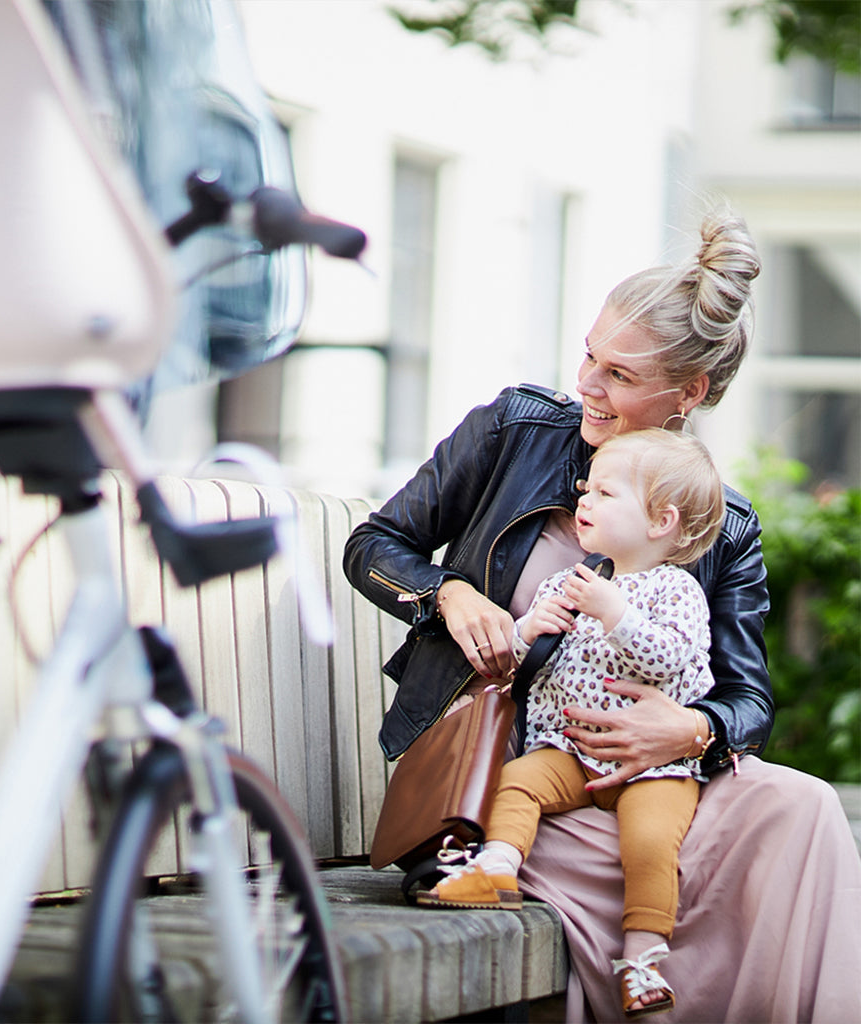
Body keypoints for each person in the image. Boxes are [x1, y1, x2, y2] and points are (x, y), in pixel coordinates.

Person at [343, 206, 861, 1023]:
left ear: (689, 392)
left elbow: (748, 703)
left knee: (805, 809)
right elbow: (375, 543)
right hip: (507, 779)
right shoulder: (513, 431)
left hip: (647, 777)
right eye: (591, 354)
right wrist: (448, 595)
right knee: (649, 862)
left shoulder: (722, 527)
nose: (587, 383)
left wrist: (690, 731)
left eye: (619, 375)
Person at [417, 429, 728, 1018]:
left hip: (654, 765)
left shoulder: (675, 589)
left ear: (660, 520)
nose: (583, 500)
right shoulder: (570, 582)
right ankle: (498, 867)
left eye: (605, 493)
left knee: (652, 842)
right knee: (519, 781)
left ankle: (641, 957)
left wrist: (617, 614)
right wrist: (530, 629)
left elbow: (672, 659)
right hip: (567, 747)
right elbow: (523, 660)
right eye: (586, 488)